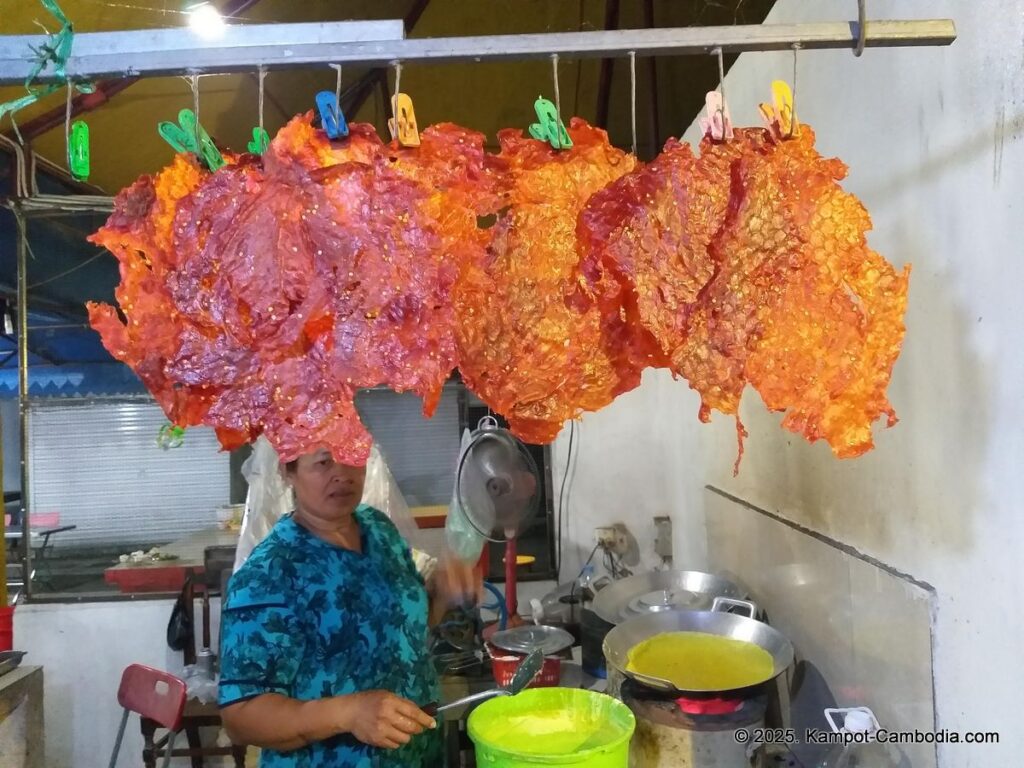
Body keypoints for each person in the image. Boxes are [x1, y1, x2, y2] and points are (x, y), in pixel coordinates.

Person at [219, 446, 479, 767]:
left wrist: (442, 590)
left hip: (418, 754)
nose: (342, 473)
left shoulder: (378, 531)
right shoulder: (269, 573)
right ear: (288, 471)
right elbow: (240, 715)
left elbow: (405, 627)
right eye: (324, 462)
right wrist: (348, 712)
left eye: (352, 455)